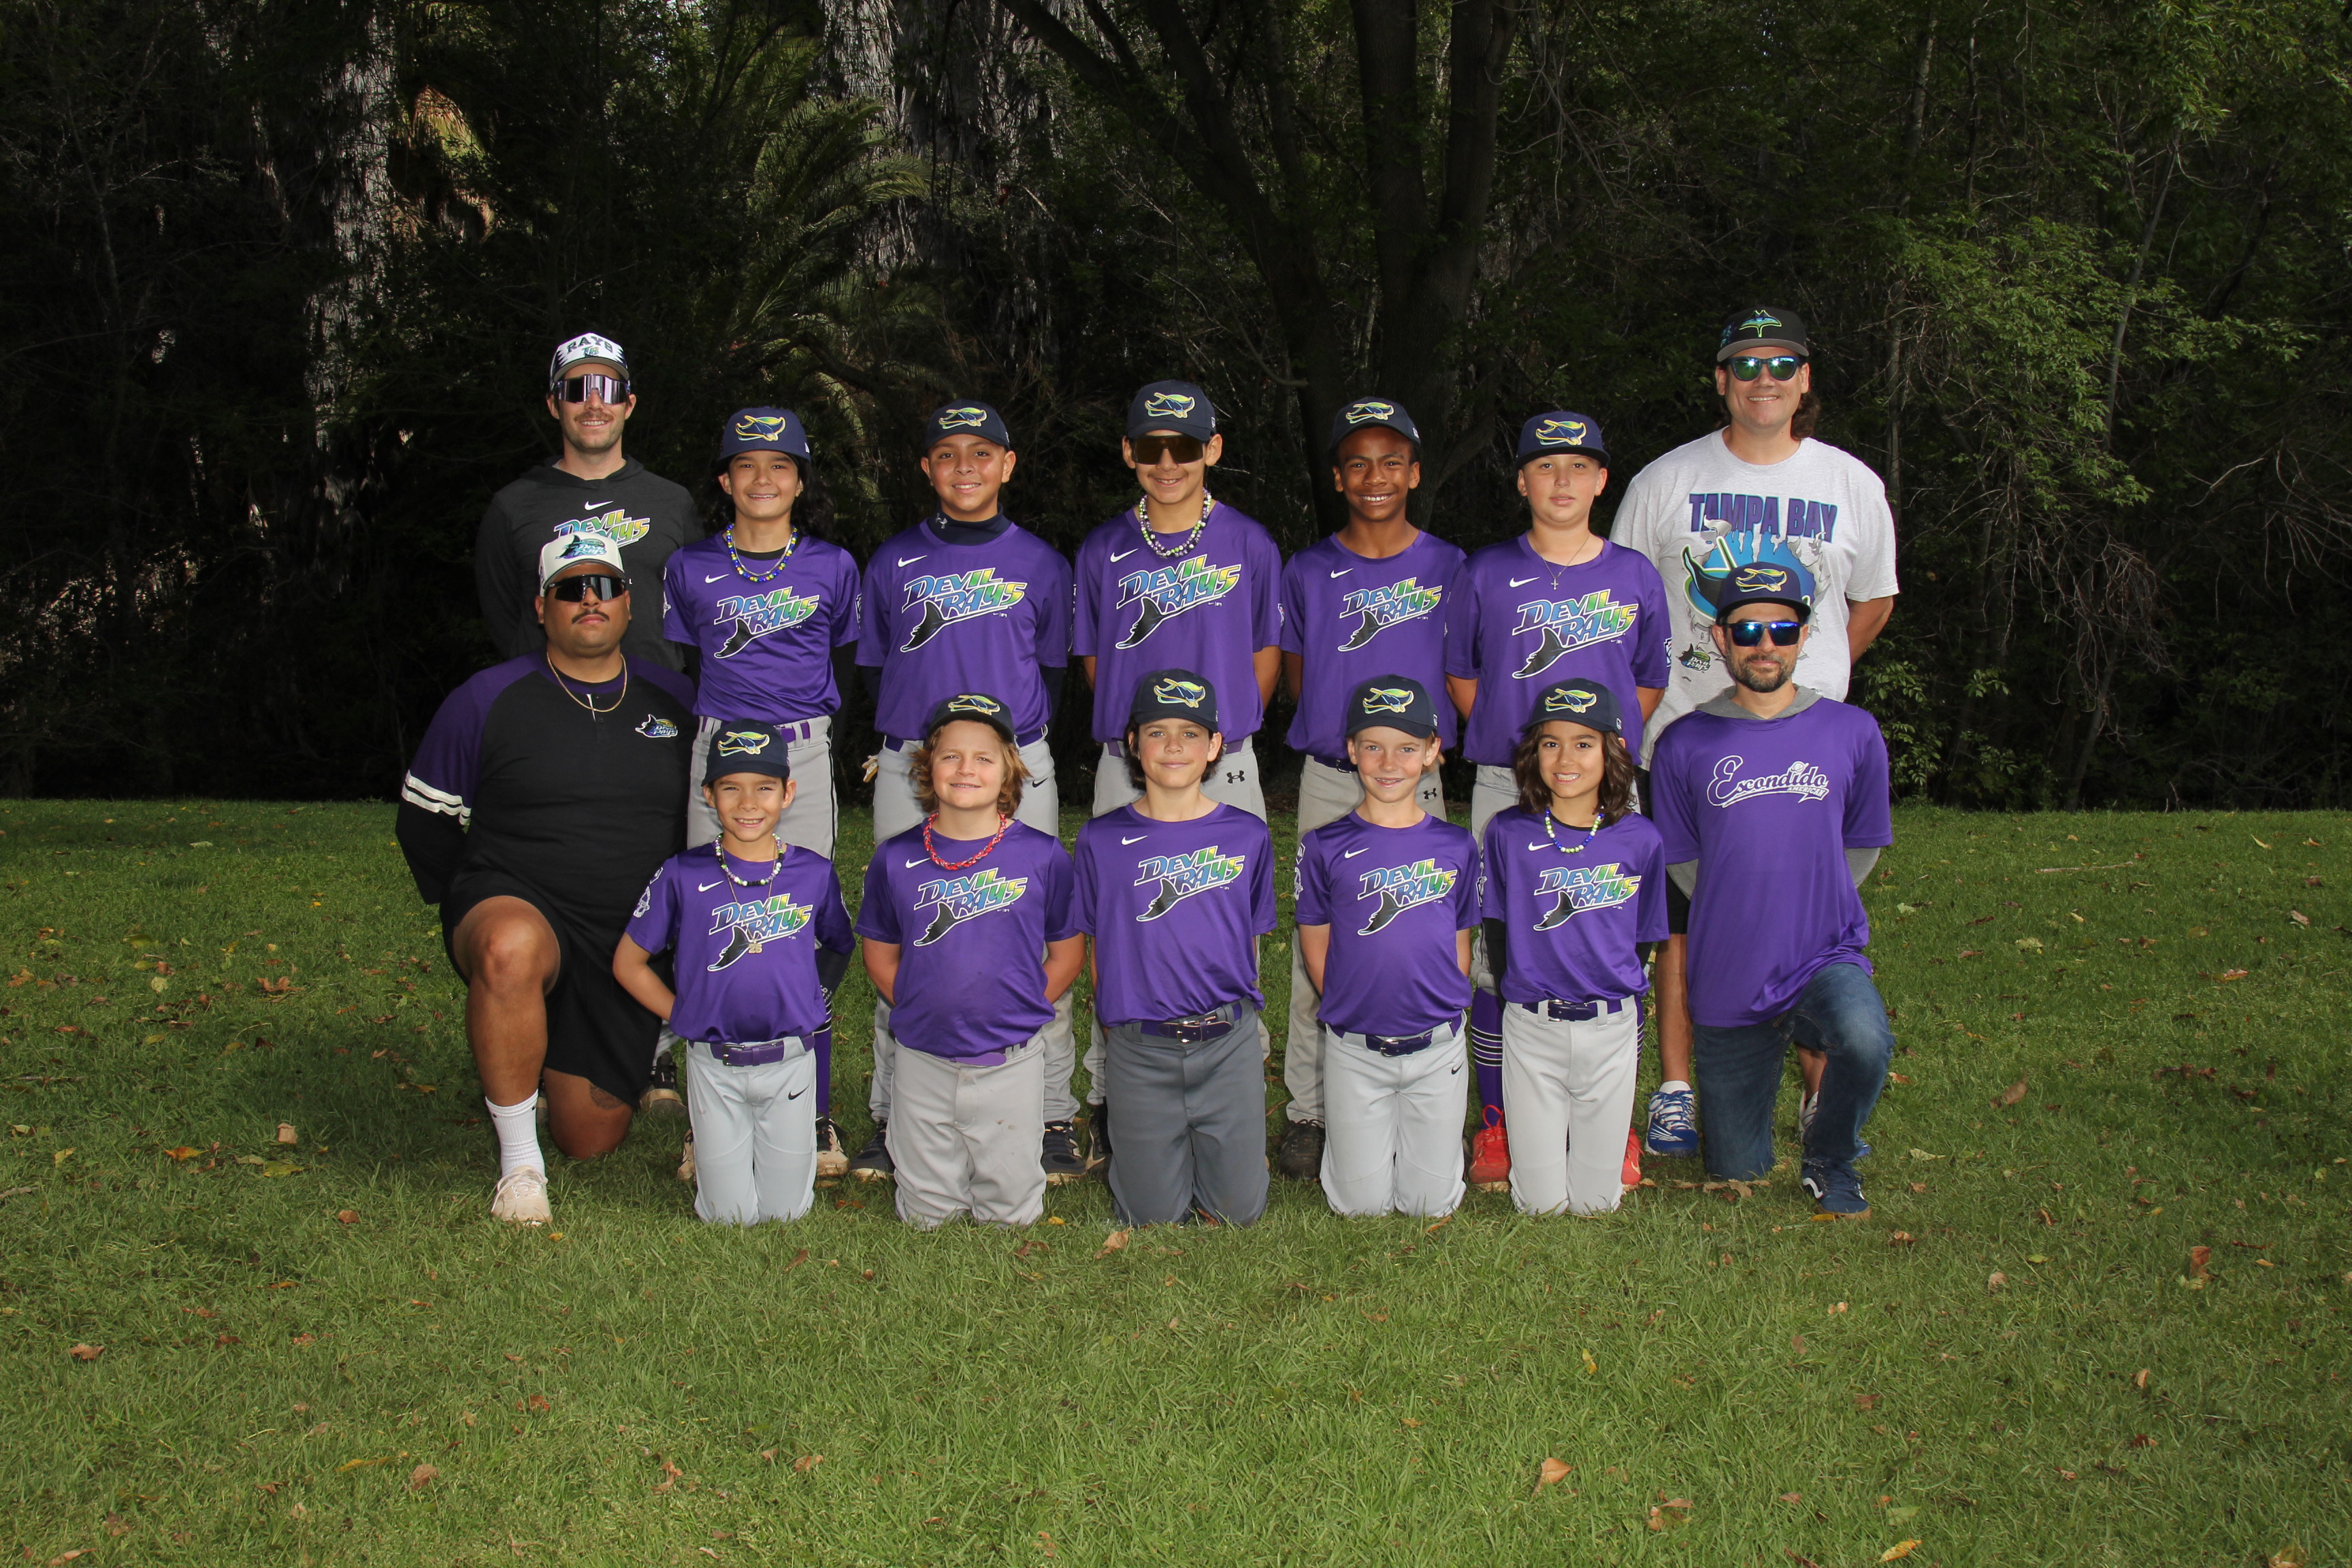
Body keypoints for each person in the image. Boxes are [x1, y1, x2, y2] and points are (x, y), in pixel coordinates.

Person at [1610, 307, 1899, 1162]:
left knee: (1805, 916)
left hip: (1807, 752)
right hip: (1684, 741)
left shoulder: (1850, 482)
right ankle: (1675, 1089)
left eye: (1780, 366)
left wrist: (1803, 680)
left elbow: (1874, 599)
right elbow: (1625, 599)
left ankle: (1817, 1093)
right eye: (1745, 366)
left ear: (1804, 380)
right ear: (1720, 380)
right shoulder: (1665, 481)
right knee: (1681, 923)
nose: (1762, 381)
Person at [397, 536, 696, 1225]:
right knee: (510, 948)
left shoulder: (677, 699)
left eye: (605, 585)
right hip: (521, 907)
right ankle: (519, 1166)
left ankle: (542, 1050)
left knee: (591, 1138)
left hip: (622, 941)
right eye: (569, 588)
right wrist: (474, 906)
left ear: (628, 604)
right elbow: (424, 822)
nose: (589, 599)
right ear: (541, 607)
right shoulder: (487, 698)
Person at [851, 403, 1077, 1186]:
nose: (965, 467)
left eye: (982, 452)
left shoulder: (1042, 562)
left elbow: (1052, 674)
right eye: (946, 454)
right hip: (916, 761)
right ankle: (894, 1114)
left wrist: (1009, 756)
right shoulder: (894, 561)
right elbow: (874, 669)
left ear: (1008, 465)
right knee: (909, 928)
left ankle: (1050, 1112)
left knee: (1032, 931)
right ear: (926, 469)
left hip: (1015, 760)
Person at [1444, 411, 1669, 1191]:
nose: (1562, 480)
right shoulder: (1486, 571)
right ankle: (1500, 1121)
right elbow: (1463, 674)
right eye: (1545, 466)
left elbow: (1648, 679)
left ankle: (1613, 1122)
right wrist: (1515, 745)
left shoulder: (1635, 575)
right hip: (1509, 784)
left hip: (1606, 792)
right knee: (1498, 956)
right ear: (1522, 481)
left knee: (1614, 948)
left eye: (1578, 466)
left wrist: (1603, 758)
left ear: (1602, 480)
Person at [1646, 549, 1894, 1217]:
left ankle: (1831, 1157)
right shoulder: (1682, 743)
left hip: (1823, 952)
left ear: (1804, 637)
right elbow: (1682, 858)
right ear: (1720, 638)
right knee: (1737, 1168)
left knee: (1865, 1041)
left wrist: (1811, 899)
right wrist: (1740, 907)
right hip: (1730, 968)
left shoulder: (1852, 731)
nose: (1765, 645)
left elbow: (1864, 840)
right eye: (1747, 630)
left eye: (1782, 630)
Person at [1072, 381, 1281, 1173]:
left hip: (1222, 761)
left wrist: (1216, 743)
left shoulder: (1250, 542)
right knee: (1118, 925)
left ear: (1212, 450)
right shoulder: (1102, 549)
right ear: (1129, 452)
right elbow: (1096, 661)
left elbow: (1265, 655)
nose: (1168, 463)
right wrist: (1145, 746)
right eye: (1151, 448)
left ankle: (1232, 1084)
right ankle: (1113, 1093)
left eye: (1184, 447)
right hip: (1129, 762)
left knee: (1226, 922)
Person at [1272, 397, 1468, 1182]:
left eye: (1391, 461)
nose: (1375, 476)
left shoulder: (1451, 567)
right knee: (1320, 941)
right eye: (1358, 462)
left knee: (1422, 934)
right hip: (1334, 774)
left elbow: (1466, 670)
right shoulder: (1307, 570)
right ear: (1338, 478)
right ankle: (1312, 1109)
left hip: (1419, 777)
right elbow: (1298, 677)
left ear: (1415, 473)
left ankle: (1427, 1089)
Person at [660, 406, 861, 1169]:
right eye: (746, 464)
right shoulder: (689, 567)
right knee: (710, 921)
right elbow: (685, 665)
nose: (763, 478)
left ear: (800, 482)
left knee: (797, 922)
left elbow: (845, 665)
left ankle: (813, 1113)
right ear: (725, 481)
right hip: (718, 748)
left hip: (800, 748)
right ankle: (706, 1117)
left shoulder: (833, 566)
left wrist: (812, 733)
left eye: (780, 465)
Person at [855, 694, 1086, 1228]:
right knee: (926, 1215)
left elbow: (1068, 952)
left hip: (1010, 1058)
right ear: (926, 766)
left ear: (1008, 769)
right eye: (950, 756)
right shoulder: (896, 857)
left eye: (983, 758)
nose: (966, 769)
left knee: (1011, 1213)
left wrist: (1022, 1008)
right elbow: (879, 952)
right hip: (922, 1056)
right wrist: (918, 1005)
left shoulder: (1042, 855)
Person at [612, 721, 856, 1224]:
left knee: (785, 1212)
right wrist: (681, 1013)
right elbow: (628, 963)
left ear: (788, 792)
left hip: (790, 1059)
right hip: (714, 1062)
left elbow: (839, 942)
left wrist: (814, 995)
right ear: (709, 795)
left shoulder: (813, 872)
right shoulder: (683, 873)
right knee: (727, 1215)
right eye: (731, 788)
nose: (748, 803)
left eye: (764, 788)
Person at [1074, 671, 1276, 1227]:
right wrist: (1118, 1030)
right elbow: (1098, 946)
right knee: (1150, 1216)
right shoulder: (1101, 838)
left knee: (1237, 1213)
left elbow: (1248, 942)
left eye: (1190, 733)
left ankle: (1211, 1148)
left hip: (1226, 1041)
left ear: (1214, 746)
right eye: (1156, 732)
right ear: (1133, 743)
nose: (1173, 746)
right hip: (1142, 1045)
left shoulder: (1247, 835)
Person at [1292, 677, 1477, 1219]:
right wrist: (1354, 1009)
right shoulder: (1324, 845)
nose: (1389, 763)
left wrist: (1440, 1008)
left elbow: (1460, 943)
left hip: (1435, 1045)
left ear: (1432, 752)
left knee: (1429, 1205)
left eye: (1406, 748)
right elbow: (1316, 947)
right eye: (1373, 746)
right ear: (1352, 750)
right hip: (1357, 1046)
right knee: (1360, 1206)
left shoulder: (1456, 845)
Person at [1480, 679, 1667, 1216]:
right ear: (1533, 751)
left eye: (1584, 743)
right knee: (1538, 1204)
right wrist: (1522, 994)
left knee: (1596, 1204)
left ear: (1613, 751)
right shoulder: (1508, 832)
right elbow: (1497, 927)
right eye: (1551, 743)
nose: (1565, 759)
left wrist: (1610, 988)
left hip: (1609, 1027)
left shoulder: (1640, 838)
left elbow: (1644, 937)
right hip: (1533, 1024)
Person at [476, 333, 696, 672]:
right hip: (549, 698)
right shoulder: (512, 506)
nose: (594, 404)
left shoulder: (673, 501)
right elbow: (502, 618)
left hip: (659, 699)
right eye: (577, 390)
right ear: (554, 405)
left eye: (609, 390)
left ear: (629, 405)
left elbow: (696, 612)